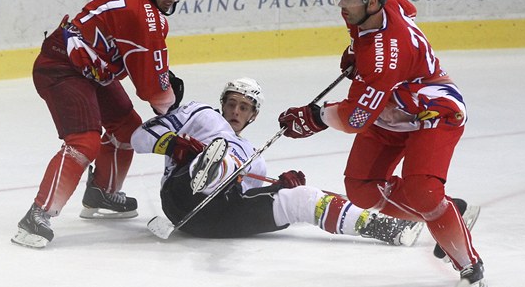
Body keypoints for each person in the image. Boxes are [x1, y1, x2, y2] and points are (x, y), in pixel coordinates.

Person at [277, 0, 485, 287]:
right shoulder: (386, 5)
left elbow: (356, 118)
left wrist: (315, 117)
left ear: (372, 2)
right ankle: (446, 212)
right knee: (361, 187)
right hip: (392, 108)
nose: (343, 5)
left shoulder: (382, 55)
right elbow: (409, 8)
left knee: (422, 191)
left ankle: (469, 267)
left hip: (433, 112)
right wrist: (353, 50)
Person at [12, 0, 189, 249]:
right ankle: (37, 215)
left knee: (127, 126)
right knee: (84, 141)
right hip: (61, 67)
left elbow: (121, 41)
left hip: (88, 65)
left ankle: (102, 193)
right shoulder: (145, 20)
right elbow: (153, 91)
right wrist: (175, 112)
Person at [131, 77, 424, 245]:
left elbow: (245, 199)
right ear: (222, 103)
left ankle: (386, 228)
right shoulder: (201, 114)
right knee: (220, 156)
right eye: (231, 103)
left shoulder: (254, 160)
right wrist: (174, 146)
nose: (235, 110)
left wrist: (280, 188)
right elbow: (139, 137)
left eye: (244, 107)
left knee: (302, 198)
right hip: (181, 198)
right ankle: (209, 168)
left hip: (217, 220)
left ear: (253, 115)